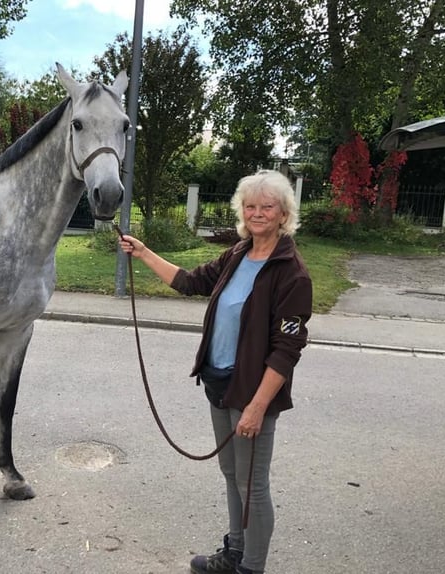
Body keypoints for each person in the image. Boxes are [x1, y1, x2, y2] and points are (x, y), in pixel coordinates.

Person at [118, 169, 312, 574]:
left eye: (267, 207)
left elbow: (286, 349)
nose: (257, 213)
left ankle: (251, 567)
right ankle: (235, 552)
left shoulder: (291, 272)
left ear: (283, 214)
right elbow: (190, 282)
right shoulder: (238, 254)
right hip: (218, 382)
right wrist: (144, 252)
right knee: (230, 474)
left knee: (252, 484)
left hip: (252, 392)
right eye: (251, 206)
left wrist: (258, 407)